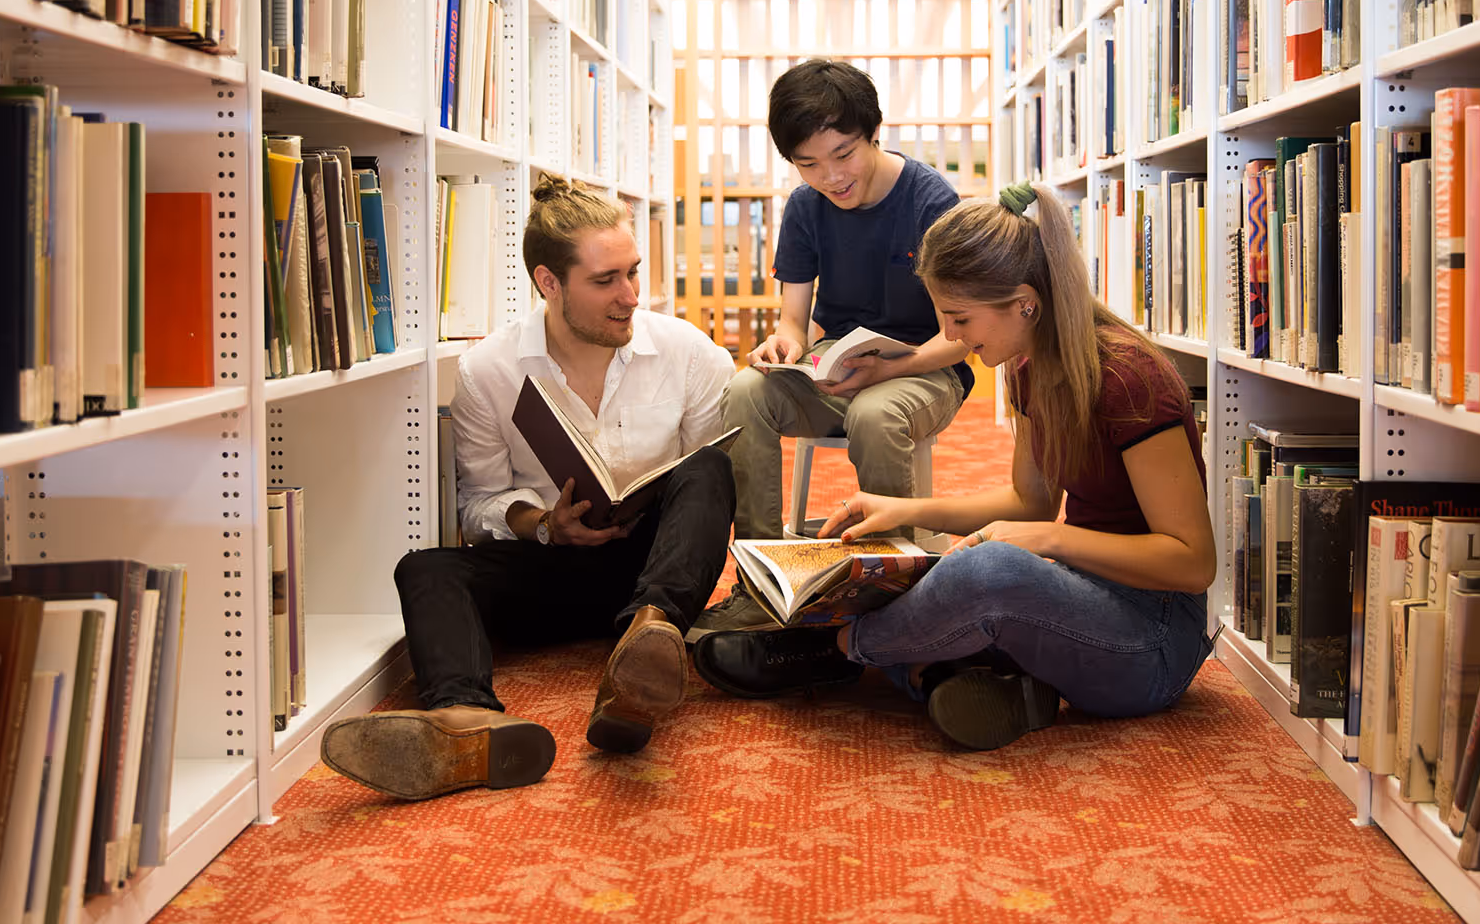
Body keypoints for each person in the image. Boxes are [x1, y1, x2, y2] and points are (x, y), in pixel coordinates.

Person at [691, 182, 1217, 751]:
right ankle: (944, 675)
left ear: (1025, 303)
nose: (950, 337)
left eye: (960, 318)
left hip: (1153, 638)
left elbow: (1192, 564)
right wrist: (903, 510)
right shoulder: (1029, 364)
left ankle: (832, 652)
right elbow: (1028, 503)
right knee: (911, 566)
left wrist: (1051, 540)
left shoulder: (1129, 381)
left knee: (987, 573)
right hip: (1075, 599)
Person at [321, 176, 737, 799]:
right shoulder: (490, 370)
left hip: (661, 572)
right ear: (549, 283)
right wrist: (543, 523)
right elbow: (478, 503)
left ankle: (646, 649)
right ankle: (466, 723)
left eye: (633, 272)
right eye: (605, 281)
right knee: (428, 569)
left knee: (707, 469)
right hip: (558, 566)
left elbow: (707, 495)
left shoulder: (688, 353)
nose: (629, 296)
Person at [692, 59, 974, 637]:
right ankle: (763, 578)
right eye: (808, 164)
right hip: (835, 366)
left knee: (875, 414)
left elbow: (962, 335)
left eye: (843, 155)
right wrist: (782, 344)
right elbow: (794, 321)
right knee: (745, 391)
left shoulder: (931, 202)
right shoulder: (805, 207)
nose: (830, 177)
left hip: (926, 368)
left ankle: (889, 591)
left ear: (874, 133)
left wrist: (889, 369)